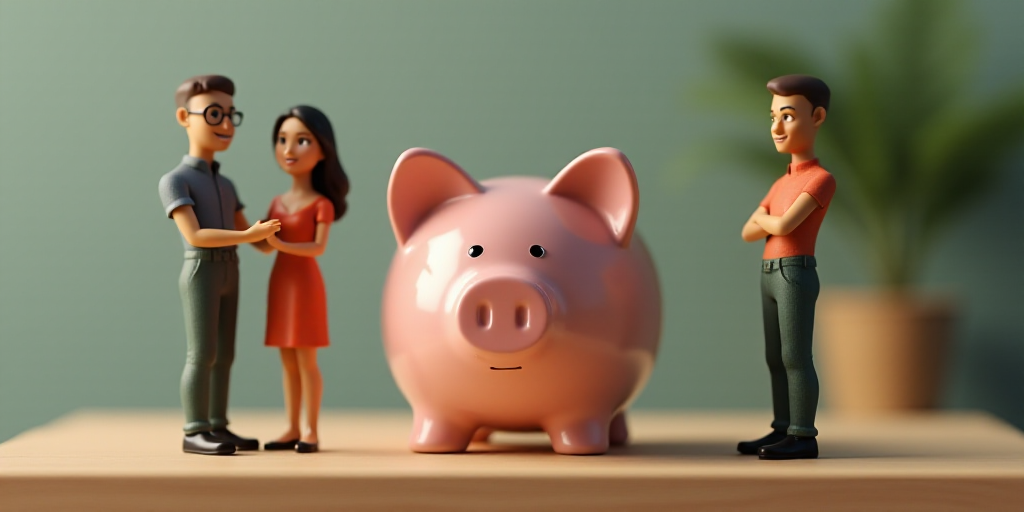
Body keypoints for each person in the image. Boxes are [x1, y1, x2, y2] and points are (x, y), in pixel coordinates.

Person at [158, 75, 281, 455]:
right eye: (214, 114)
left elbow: (255, 238)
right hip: (202, 270)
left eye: (230, 115)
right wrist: (249, 237)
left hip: (231, 269)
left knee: (225, 354)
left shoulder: (226, 184)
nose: (226, 126)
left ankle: (218, 424)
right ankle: (194, 429)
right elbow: (195, 235)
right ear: (184, 116)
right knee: (202, 353)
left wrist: (280, 230)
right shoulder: (175, 181)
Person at [738, 74, 836, 460]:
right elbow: (747, 232)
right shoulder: (782, 183)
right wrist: (767, 221)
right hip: (768, 273)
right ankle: (781, 427)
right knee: (774, 357)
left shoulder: (820, 180)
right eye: (773, 117)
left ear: (818, 117)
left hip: (794, 272)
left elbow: (779, 226)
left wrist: (766, 220)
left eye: (789, 116)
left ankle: (803, 434)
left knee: (796, 356)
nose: (777, 127)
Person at [258, 106, 350, 454]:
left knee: (306, 361)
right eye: (282, 140)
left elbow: (318, 247)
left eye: (301, 140)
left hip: (306, 286)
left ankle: (311, 429)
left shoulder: (320, 204)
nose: (289, 149)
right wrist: (252, 235)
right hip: (280, 284)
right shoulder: (277, 202)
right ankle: (291, 425)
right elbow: (265, 248)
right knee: (286, 359)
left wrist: (279, 243)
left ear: (322, 149)